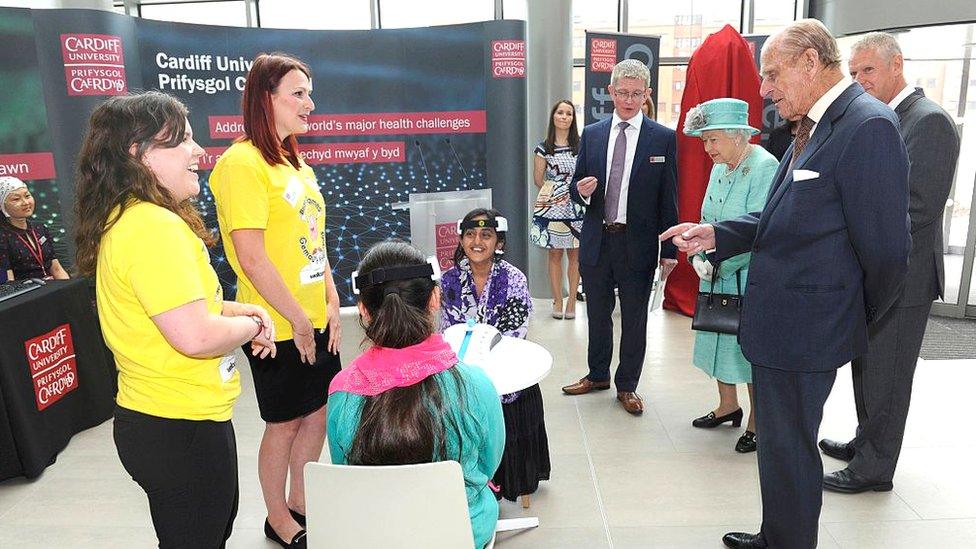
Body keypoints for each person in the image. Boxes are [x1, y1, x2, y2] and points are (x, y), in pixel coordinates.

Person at [661, 19, 910, 549]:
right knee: (779, 445)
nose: (765, 89)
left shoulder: (867, 126)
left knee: (793, 450)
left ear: (811, 64)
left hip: (809, 330)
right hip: (782, 326)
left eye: (772, 75)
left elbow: (888, 253)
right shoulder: (812, 126)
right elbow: (780, 217)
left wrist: (849, 314)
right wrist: (715, 233)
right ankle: (778, 534)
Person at [72, 91, 277, 548]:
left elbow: (179, 307)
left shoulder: (134, 219)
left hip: (172, 419)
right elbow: (195, 334)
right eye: (182, 140)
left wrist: (242, 310)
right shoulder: (152, 228)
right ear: (139, 154)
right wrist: (255, 327)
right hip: (177, 425)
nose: (198, 151)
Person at [817, 32, 961, 494]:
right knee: (868, 365)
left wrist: (853, 232)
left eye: (868, 71)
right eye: (854, 72)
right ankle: (866, 443)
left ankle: (875, 468)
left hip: (906, 275)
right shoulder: (877, 118)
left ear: (896, 65)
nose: (859, 80)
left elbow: (918, 207)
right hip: (875, 271)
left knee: (890, 375)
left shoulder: (929, 121)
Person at [209, 52, 341, 548]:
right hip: (274, 324)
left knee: (319, 413)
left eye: (309, 92)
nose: (310, 102)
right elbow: (251, 256)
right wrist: (296, 320)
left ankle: (302, 502)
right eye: (298, 93)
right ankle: (277, 519)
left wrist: (330, 301)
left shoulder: (295, 160)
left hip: (313, 315)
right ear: (267, 98)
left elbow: (316, 240)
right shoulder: (240, 163)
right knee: (283, 423)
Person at [327, 240, 505, 549]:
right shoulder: (475, 385)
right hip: (460, 533)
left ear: (364, 311)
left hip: (373, 537)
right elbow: (488, 463)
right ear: (435, 298)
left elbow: (346, 471)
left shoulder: (342, 392)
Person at [562, 58, 679, 416]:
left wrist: (669, 249)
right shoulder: (593, 135)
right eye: (622, 93)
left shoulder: (663, 137)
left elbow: (669, 196)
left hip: (639, 243)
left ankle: (626, 384)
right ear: (610, 92)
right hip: (598, 239)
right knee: (597, 315)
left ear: (647, 95)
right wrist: (581, 191)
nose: (629, 100)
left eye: (636, 94)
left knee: (634, 319)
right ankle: (597, 374)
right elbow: (575, 189)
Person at [682, 98, 778, 454]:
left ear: (739, 136)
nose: (707, 149)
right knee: (717, 335)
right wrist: (698, 251)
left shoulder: (765, 166)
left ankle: (757, 421)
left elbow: (760, 227)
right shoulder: (720, 166)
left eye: (713, 140)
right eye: (704, 141)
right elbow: (710, 216)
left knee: (745, 347)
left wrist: (720, 262)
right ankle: (727, 406)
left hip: (748, 273)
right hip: (716, 268)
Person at [441, 208, 549, 505]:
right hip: (463, 374)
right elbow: (445, 330)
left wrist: (487, 367)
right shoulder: (448, 280)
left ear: (498, 242)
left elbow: (517, 329)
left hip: (506, 373)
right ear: (461, 240)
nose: (477, 241)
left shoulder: (513, 278)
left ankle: (512, 481)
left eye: (486, 235)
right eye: (471, 235)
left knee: (512, 396)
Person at [531, 100, 584, 320]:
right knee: (554, 254)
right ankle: (557, 300)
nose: (564, 116)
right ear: (553, 117)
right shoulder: (543, 147)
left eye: (569, 113)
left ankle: (571, 300)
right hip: (552, 206)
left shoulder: (582, 145)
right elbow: (538, 179)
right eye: (560, 112)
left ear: (573, 118)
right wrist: (556, 192)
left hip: (576, 205)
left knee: (575, 254)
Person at [0, 176, 70, 281]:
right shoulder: (3, 236)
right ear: (2, 205)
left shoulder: (40, 228)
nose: (25, 202)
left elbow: (56, 269)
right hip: (27, 294)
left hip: (52, 289)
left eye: (27, 196)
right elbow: (9, 282)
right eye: (16, 199)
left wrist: (70, 291)